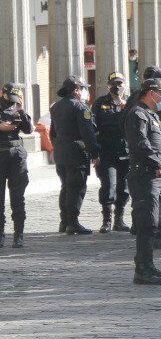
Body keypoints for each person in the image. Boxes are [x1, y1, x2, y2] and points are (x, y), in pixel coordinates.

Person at [125, 78, 161, 284]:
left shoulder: (152, 114)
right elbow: (140, 144)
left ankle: (149, 265)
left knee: (153, 224)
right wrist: (157, 164)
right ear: (150, 92)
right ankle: (142, 270)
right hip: (145, 176)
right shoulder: (137, 114)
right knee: (146, 224)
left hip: (157, 177)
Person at [50, 75, 99, 235]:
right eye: (83, 88)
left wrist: (58, 147)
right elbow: (88, 133)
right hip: (77, 152)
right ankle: (73, 222)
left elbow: (52, 133)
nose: (85, 91)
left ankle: (64, 221)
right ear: (76, 90)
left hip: (61, 152)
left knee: (65, 187)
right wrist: (95, 151)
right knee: (76, 188)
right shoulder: (80, 107)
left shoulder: (55, 107)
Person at [93, 72, 131, 233]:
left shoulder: (130, 102)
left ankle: (119, 220)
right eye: (113, 84)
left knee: (124, 187)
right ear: (108, 85)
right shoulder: (100, 103)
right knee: (109, 184)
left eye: (120, 83)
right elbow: (93, 127)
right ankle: (106, 220)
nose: (117, 87)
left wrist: (126, 109)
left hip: (125, 150)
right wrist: (94, 153)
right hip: (106, 149)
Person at [0, 83, 32, 248]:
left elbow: (28, 130)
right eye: (9, 97)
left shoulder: (18, 108)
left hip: (17, 156)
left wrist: (22, 110)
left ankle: (18, 234)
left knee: (17, 197)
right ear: (2, 93)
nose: (11, 101)